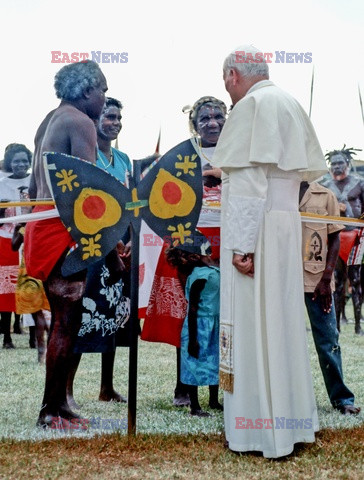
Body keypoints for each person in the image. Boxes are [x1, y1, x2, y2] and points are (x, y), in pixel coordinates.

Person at [212, 45, 327, 458]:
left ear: (232, 75)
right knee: (279, 323)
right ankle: (290, 424)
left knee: (254, 325)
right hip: (283, 225)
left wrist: (243, 247)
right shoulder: (289, 102)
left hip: (257, 229)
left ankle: (258, 431)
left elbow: (247, 185)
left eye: (224, 79)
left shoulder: (251, 105)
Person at [23, 60, 111, 427]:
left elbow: (32, 186)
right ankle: (50, 411)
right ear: (87, 90)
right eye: (103, 90)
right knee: (65, 321)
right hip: (64, 228)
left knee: (64, 320)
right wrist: (103, 241)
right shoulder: (81, 121)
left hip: (39, 225)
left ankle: (58, 406)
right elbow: (88, 190)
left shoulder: (48, 120)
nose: (105, 99)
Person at [141, 96, 227, 407]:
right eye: (204, 118)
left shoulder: (239, 151)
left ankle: (222, 385)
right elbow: (160, 192)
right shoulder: (183, 155)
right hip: (188, 244)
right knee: (187, 316)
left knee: (222, 318)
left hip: (228, 242)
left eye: (218, 116)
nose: (212, 122)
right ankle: (184, 385)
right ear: (194, 123)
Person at [66, 97, 132, 407]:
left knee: (113, 318)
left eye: (118, 116)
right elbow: (89, 207)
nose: (115, 122)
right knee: (83, 317)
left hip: (120, 247)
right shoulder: (87, 157)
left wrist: (129, 242)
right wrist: (112, 253)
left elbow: (128, 205)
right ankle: (67, 389)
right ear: (95, 121)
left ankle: (107, 387)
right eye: (108, 116)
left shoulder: (123, 159)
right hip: (93, 249)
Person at [299, 181, 361, 415]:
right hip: (281, 280)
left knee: (328, 340)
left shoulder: (325, 195)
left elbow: (335, 238)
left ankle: (342, 399)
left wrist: (326, 279)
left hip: (317, 282)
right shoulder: (276, 190)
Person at [165, 232, 223, 416]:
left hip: (214, 324)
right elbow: (192, 310)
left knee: (214, 360)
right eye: (207, 253)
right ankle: (195, 406)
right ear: (196, 256)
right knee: (195, 364)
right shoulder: (199, 276)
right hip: (199, 326)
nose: (210, 255)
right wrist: (193, 339)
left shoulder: (213, 270)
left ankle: (214, 400)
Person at [320, 147, 364, 335]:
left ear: (348, 163)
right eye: (334, 163)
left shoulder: (359, 183)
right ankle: (337, 324)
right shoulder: (325, 185)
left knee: (356, 280)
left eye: (340, 163)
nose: (337, 166)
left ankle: (357, 326)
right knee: (337, 282)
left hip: (355, 237)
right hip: (334, 237)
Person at [0, 143, 32, 348]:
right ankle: (7, 337)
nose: (21, 164)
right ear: (9, 163)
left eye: (25, 161)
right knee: (7, 288)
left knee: (31, 286)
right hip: (6, 240)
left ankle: (33, 338)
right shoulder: (1, 183)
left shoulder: (35, 181)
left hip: (31, 239)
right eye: (16, 161)